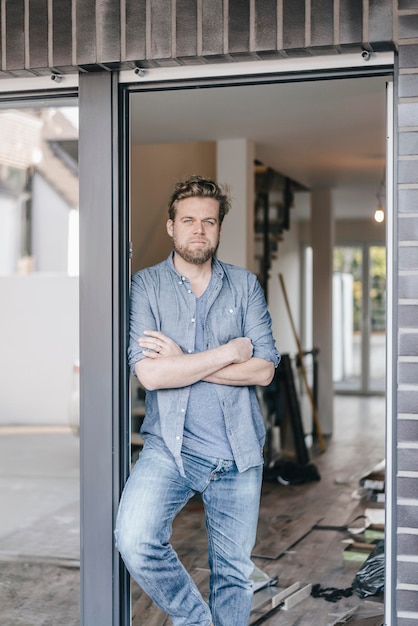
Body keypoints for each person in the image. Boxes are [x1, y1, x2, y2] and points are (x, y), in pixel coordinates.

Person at [115, 175, 280, 626]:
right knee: (134, 538)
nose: (198, 230)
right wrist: (229, 352)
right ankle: (196, 622)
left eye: (209, 221)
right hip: (170, 447)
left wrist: (184, 363)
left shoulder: (245, 286)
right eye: (188, 220)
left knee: (233, 574)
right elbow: (150, 374)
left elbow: (264, 369)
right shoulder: (144, 287)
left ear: (219, 229)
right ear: (171, 226)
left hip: (237, 451)